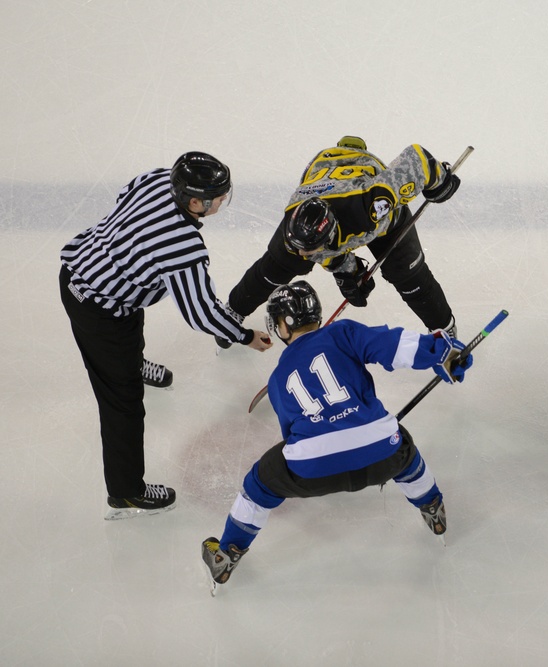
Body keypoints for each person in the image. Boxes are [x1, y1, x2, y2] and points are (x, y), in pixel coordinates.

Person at [201, 280, 473, 592]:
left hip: (311, 469)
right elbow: (394, 345)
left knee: (259, 485)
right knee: (405, 451)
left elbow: (293, 433)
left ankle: (227, 553)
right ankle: (432, 507)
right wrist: (442, 354)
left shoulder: (278, 377)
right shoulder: (342, 333)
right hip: (381, 455)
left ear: (282, 325)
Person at [59, 152, 273, 520]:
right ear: (195, 202)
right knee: (122, 402)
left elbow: (125, 196)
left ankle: (130, 361)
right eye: (219, 198)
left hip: (90, 272)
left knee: (131, 321)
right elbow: (201, 313)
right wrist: (243, 335)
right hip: (97, 307)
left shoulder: (159, 179)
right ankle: (126, 491)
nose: (223, 202)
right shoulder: (183, 249)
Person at [215, 135, 461, 352]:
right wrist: (347, 271)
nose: (303, 252)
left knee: (406, 273)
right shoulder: (294, 225)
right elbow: (318, 250)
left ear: (331, 233)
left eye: (310, 248)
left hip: (362, 182)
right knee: (276, 266)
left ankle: (442, 327)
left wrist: (440, 181)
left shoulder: (370, 206)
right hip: (324, 172)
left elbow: (417, 159)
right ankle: (233, 312)